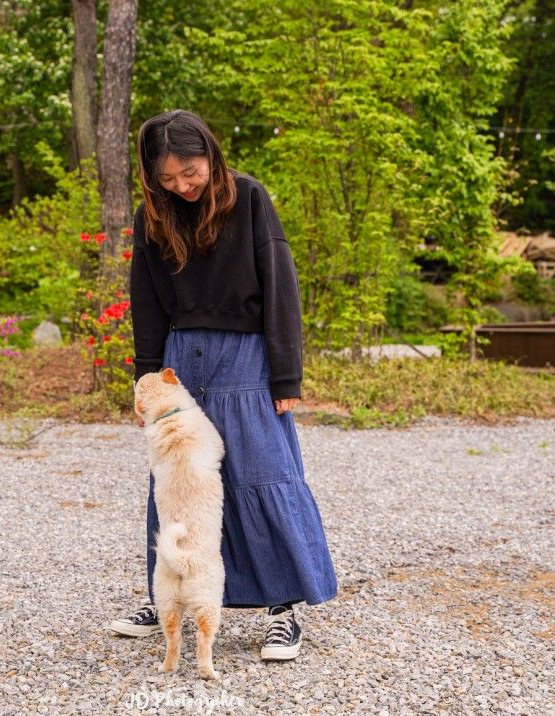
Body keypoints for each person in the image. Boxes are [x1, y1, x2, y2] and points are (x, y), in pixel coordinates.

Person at [109, 109, 337, 661]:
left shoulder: (251, 199)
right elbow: (145, 299)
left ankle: (283, 610)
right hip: (181, 362)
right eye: (167, 179)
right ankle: (165, 596)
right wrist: (147, 375)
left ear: (210, 154)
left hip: (247, 360)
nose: (182, 187)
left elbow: (281, 285)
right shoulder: (153, 216)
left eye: (190, 171)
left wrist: (286, 372)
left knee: (262, 473)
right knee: (179, 482)